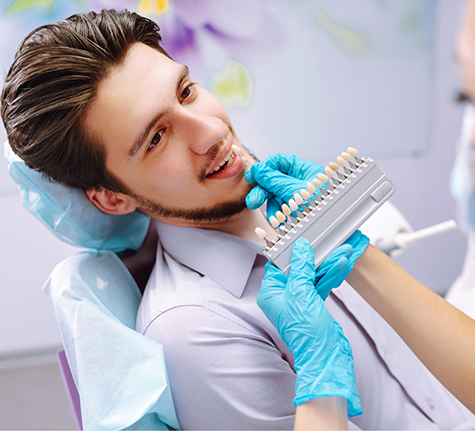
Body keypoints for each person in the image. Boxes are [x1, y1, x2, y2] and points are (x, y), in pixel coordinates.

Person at [2, 9, 474, 430]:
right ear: (111, 198)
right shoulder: (193, 332)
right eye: (157, 138)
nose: (210, 130)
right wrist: (321, 379)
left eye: (186, 92)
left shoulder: (290, 215)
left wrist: (343, 232)